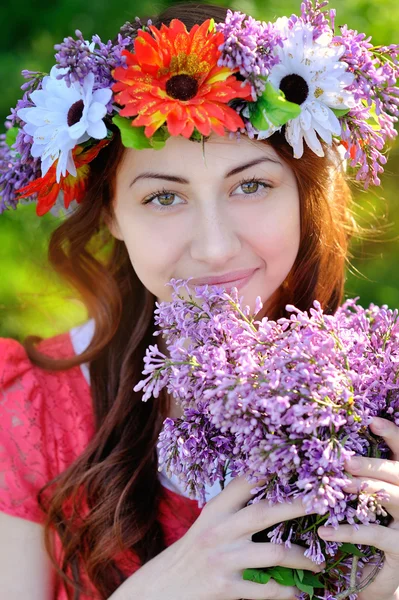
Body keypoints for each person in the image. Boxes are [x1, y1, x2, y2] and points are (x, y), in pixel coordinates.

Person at [0, 2, 398, 599]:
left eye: (252, 186)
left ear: (303, 195)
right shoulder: (31, 409)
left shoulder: (384, 398)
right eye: (164, 197)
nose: (214, 249)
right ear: (111, 212)